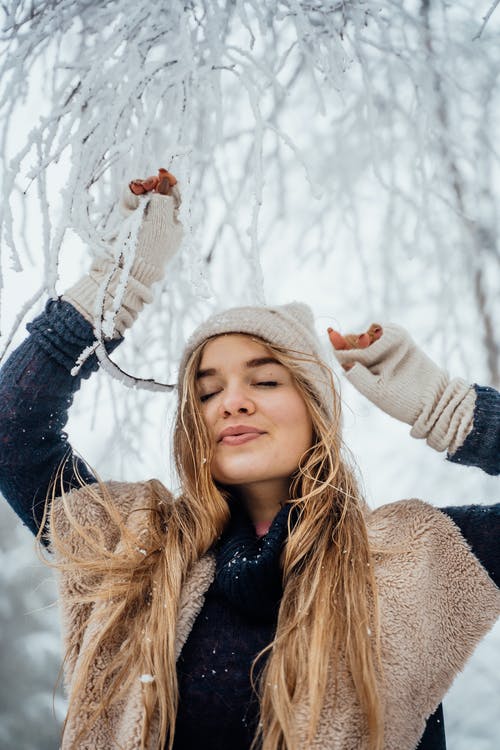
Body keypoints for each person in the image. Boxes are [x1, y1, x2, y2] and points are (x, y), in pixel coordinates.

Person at [0, 171, 498, 750]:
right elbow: (14, 430)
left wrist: (454, 411)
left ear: (317, 411)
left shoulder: (417, 556)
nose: (232, 401)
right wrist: (117, 283)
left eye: (264, 380)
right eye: (207, 392)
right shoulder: (135, 549)